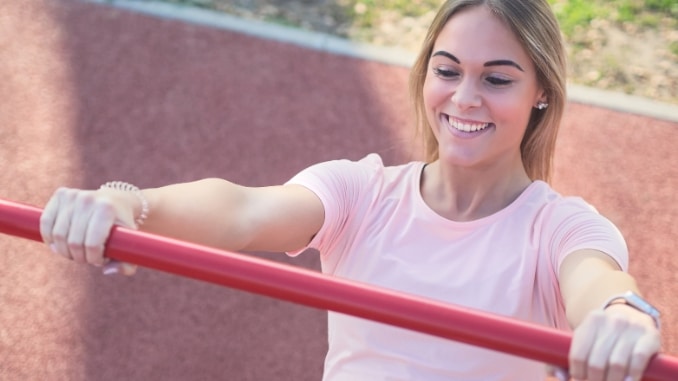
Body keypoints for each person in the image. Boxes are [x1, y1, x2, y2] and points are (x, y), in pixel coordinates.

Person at [39, 0, 662, 380]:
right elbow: (244, 211)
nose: (465, 98)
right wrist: (127, 203)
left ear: (541, 93)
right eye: (447, 71)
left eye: (497, 79)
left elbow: (598, 283)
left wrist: (622, 317)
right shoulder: (361, 192)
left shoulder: (560, 228)